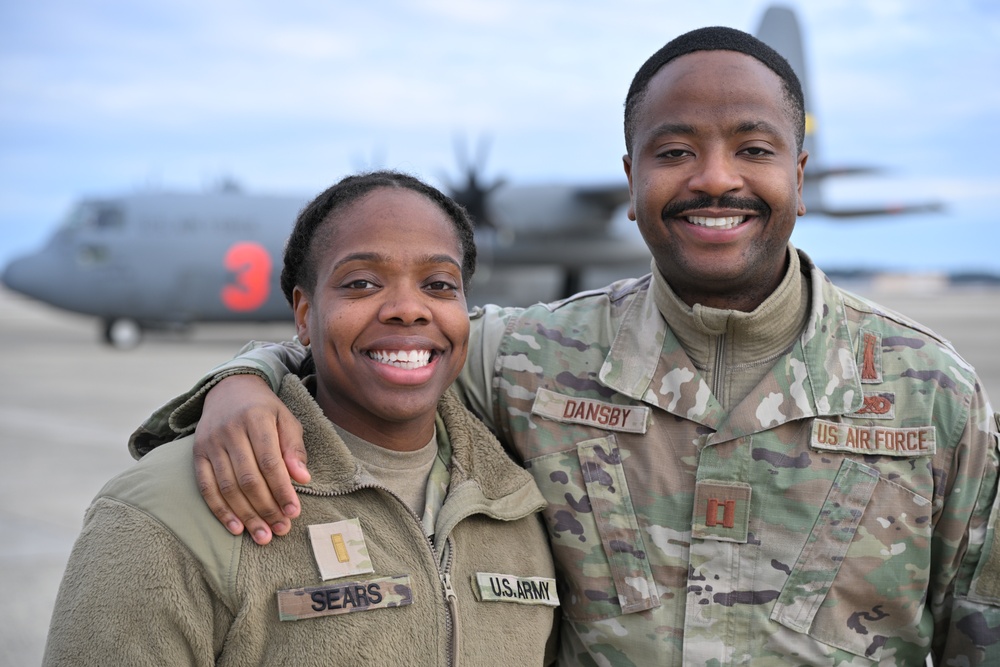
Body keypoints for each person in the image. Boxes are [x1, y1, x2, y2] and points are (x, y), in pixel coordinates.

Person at [129, 27, 1000, 665]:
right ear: (631, 182)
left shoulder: (933, 391)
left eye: (755, 148)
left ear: (800, 176)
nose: (715, 178)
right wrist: (242, 383)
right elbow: (380, 350)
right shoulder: (530, 357)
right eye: (674, 151)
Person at [44, 171, 559, 666]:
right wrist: (240, 377)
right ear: (303, 314)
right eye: (361, 282)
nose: (409, 309)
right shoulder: (162, 515)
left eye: (440, 285)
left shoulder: (516, 504)